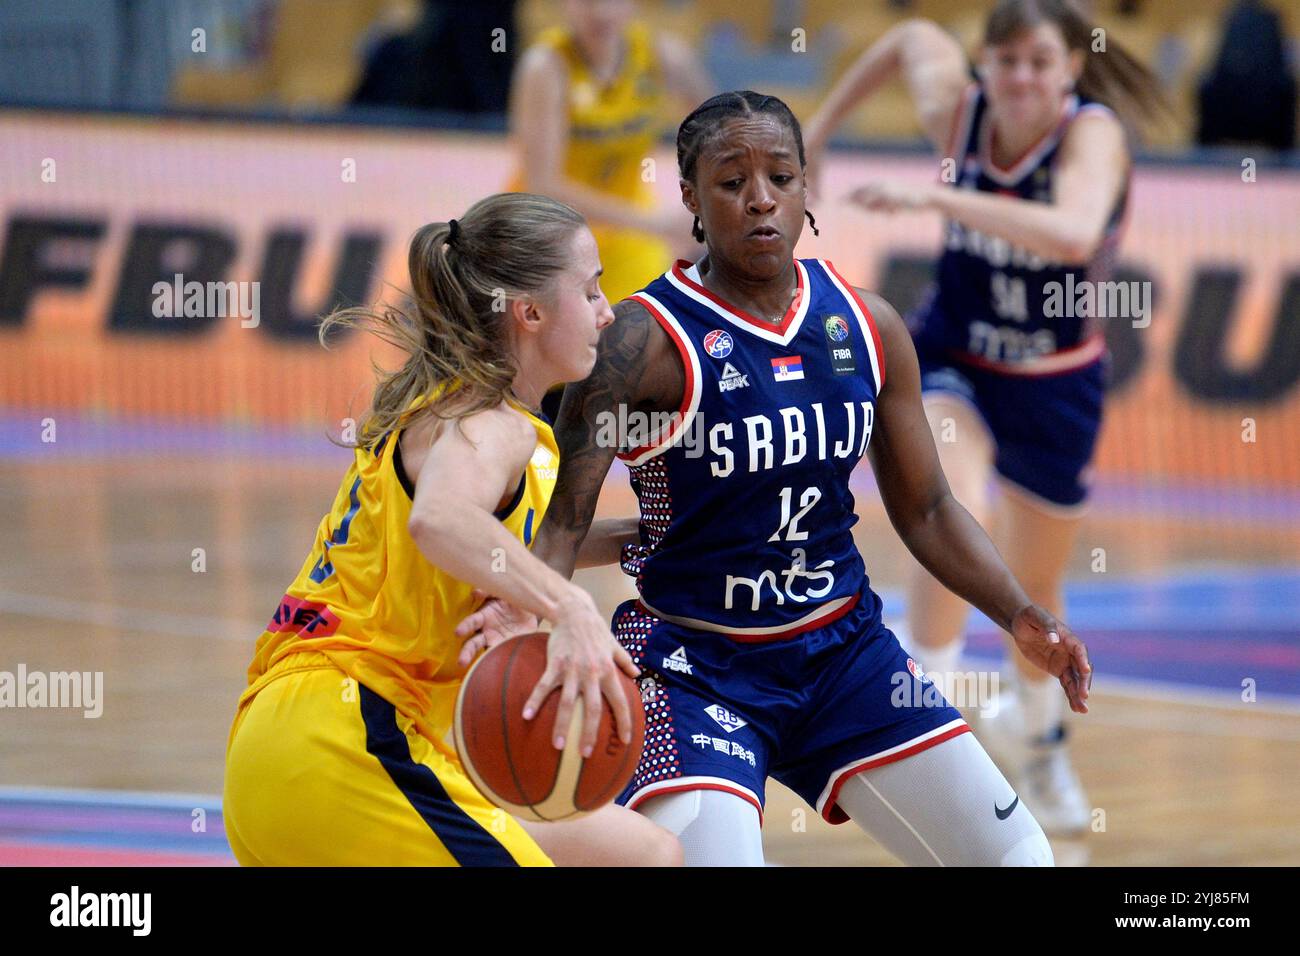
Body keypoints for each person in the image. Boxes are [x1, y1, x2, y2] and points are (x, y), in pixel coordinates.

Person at [459, 92, 1091, 866]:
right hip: (696, 668)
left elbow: (926, 508)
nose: (760, 198)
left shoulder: (867, 325)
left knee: (1022, 860)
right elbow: (560, 522)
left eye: (781, 177)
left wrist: (1019, 612)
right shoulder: (641, 340)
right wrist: (535, 623)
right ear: (690, 196)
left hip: (847, 655)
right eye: (731, 181)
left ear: (805, 187)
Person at [222, 192, 681, 867]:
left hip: (302, 743)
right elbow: (440, 519)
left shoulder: (471, 413)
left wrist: (647, 536)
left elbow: (488, 544)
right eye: (590, 291)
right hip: (349, 738)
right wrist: (569, 607)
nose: (607, 312)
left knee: (646, 855)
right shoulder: (485, 422)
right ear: (528, 312)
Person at [803, 0, 1166, 834]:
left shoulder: (1091, 135)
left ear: (1072, 67)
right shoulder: (956, 109)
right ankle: (915, 719)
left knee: (1034, 584)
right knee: (950, 511)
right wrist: (818, 129)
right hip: (952, 357)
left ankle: (1038, 744)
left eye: (1040, 62)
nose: (1022, 78)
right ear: (986, 65)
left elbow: (1073, 234)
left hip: (1053, 374)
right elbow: (904, 36)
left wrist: (939, 203)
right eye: (1006, 61)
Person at [508, 0, 713, 310]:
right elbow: (543, 186)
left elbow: (723, 135)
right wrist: (656, 224)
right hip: (547, 233)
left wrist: (707, 200)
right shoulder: (546, 67)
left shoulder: (666, 57)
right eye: (587, 2)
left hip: (628, 237)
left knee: (655, 332)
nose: (601, 12)